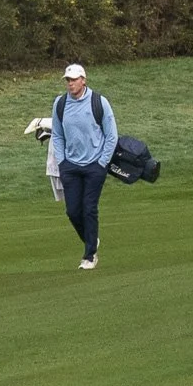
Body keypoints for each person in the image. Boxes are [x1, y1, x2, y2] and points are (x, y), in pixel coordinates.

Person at [49, 63, 117, 269]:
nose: (70, 84)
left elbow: (111, 136)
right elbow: (57, 135)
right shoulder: (60, 103)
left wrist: (102, 162)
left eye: (74, 79)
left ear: (83, 80)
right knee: (72, 211)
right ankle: (91, 239)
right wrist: (62, 161)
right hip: (70, 165)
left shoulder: (99, 102)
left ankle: (89, 256)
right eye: (68, 80)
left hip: (95, 165)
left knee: (89, 208)